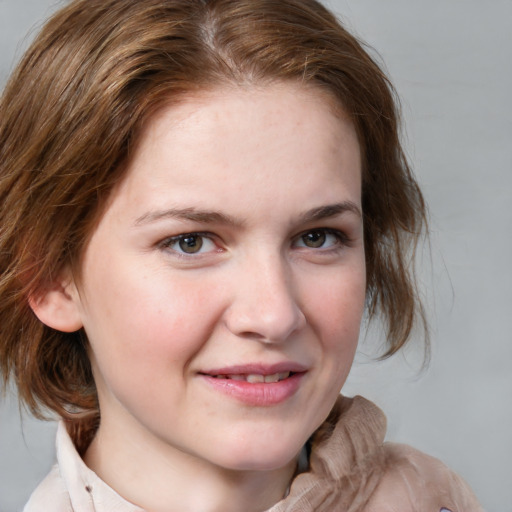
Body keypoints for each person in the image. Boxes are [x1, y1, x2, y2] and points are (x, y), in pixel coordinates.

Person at [0, 0, 483, 510]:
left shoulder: (434, 499)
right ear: (50, 276)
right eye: (191, 241)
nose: (274, 316)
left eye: (317, 237)